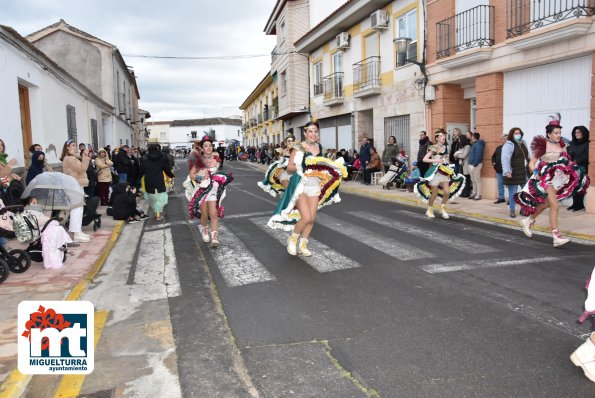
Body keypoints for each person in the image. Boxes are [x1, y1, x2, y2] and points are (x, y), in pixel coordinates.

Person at [267, 121, 347, 256]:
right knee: (305, 217)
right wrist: (305, 166)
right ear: (305, 133)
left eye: (315, 131)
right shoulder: (298, 147)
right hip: (299, 184)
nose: (313, 134)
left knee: (311, 219)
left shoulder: (320, 147)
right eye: (310, 131)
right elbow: (290, 168)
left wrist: (323, 171)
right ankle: (292, 240)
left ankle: (303, 244)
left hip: (314, 184)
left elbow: (321, 165)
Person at [515, 118, 590, 247]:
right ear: (549, 134)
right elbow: (532, 163)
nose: (558, 135)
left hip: (557, 180)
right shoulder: (543, 146)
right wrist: (536, 174)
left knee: (546, 204)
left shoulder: (562, 146)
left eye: (559, 132)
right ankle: (556, 236)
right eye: (556, 133)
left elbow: (566, 162)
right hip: (545, 179)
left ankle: (528, 220)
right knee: (555, 205)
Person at [188, 137, 232, 246]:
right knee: (204, 214)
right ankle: (205, 230)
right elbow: (191, 175)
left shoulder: (216, 160)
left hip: (213, 189)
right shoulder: (199, 161)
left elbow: (216, 173)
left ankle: (215, 238)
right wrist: (200, 177)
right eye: (206, 146)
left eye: (210, 145)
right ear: (202, 148)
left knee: (214, 213)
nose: (208, 148)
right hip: (202, 190)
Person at [414, 131, 466, 219]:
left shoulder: (446, 147)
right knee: (434, 194)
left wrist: (448, 166)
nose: (443, 138)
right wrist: (436, 161)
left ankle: (443, 208)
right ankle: (430, 209)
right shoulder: (434, 147)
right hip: (435, 173)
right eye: (441, 136)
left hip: (444, 172)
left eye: (444, 136)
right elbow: (425, 159)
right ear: (437, 138)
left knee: (447, 192)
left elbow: (447, 159)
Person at [60, 139, 91, 243]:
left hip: (77, 184)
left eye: (75, 145)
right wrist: (85, 157)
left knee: (79, 208)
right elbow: (82, 169)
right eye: (73, 145)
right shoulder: (69, 158)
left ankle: (78, 231)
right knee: (77, 209)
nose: (75, 147)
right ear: (67, 147)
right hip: (74, 185)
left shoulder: (73, 158)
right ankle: (76, 233)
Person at [141, 144, 174, 221]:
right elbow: (166, 169)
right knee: (160, 197)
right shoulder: (161, 158)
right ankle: (158, 214)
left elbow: (141, 170)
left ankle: (156, 213)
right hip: (159, 180)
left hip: (148, 180)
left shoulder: (144, 158)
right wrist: (171, 175)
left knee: (152, 198)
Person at [501, 127, 529, 218]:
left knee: (525, 192)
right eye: (516, 133)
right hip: (512, 172)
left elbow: (528, 156)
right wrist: (507, 172)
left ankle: (523, 209)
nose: (518, 134)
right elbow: (504, 159)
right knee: (512, 193)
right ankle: (512, 210)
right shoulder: (508, 145)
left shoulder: (523, 143)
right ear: (512, 134)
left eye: (519, 133)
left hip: (523, 172)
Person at [568, 126, 590, 212]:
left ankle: (579, 205)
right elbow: (568, 154)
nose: (576, 134)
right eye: (575, 132)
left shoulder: (587, 143)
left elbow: (586, 156)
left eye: (578, 132)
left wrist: (575, 162)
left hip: (582, 168)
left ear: (583, 133)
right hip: (572, 168)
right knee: (573, 186)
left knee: (580, 186)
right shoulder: (572, 143)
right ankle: (574, 204)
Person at [468, 132, 485, 200]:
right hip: (472, 164)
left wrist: (474, 165)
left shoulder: (478, 144)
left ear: (473, 137)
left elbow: (478, 155)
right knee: (473, 180)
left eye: (471, 136)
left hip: (475, 165)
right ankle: (474, 193)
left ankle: (479, 194)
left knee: (477, 180)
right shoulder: (475, 144)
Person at [492, 133, 508, 204]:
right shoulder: (498, 148)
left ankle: (511, 199)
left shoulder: (511, 148)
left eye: (506, 139)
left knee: (510, 185)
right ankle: (501, 198)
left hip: (508, 170)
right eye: (503, 139)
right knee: (500, 184)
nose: (504, 140)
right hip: (499, 170)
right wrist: (494, 163)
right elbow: (493, 157)